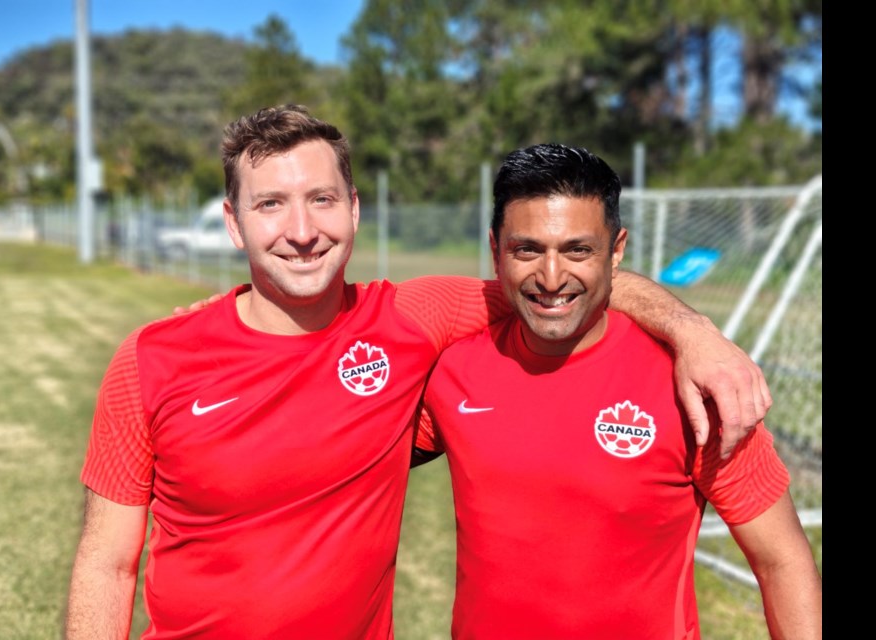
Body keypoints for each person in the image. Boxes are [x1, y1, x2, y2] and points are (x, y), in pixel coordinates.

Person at [65, 106, 772, 639]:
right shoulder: (150, 361)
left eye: (321, 199)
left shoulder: (410, 320)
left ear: (354, 209)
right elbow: (108, 564)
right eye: (271, 204)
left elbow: (559, 279)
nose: (302, 229)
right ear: (233, 222)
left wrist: (689, 328)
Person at [414, 143, 822, 639]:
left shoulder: (692, 389)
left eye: (578, 250)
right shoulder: (456, 370)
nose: (551, 277)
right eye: (527, 249)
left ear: (617, 250)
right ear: (496, 249)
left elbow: (782, 561)